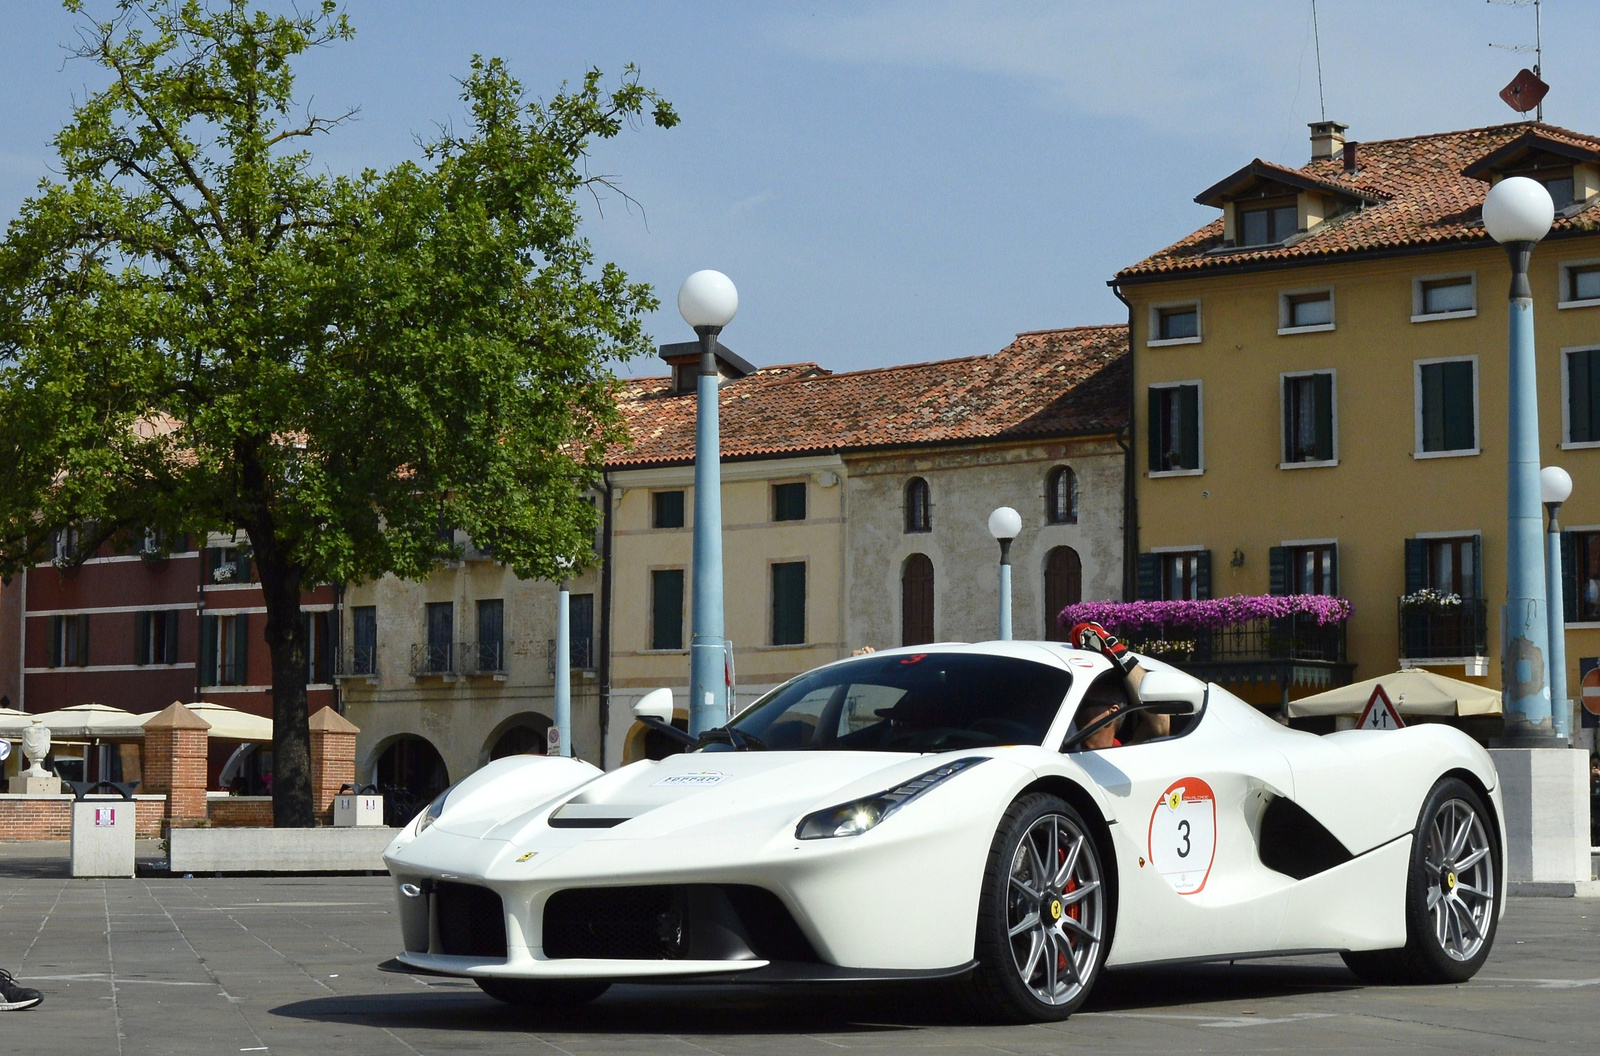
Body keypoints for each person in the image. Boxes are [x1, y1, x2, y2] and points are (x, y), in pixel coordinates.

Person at [1069, 621, 1170, 748]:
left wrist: (1115, 650)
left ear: (1112, 713)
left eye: (1084, 705)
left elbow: (1160, 722)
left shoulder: (1124, 754)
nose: (1075, 711)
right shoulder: (1060, 747)